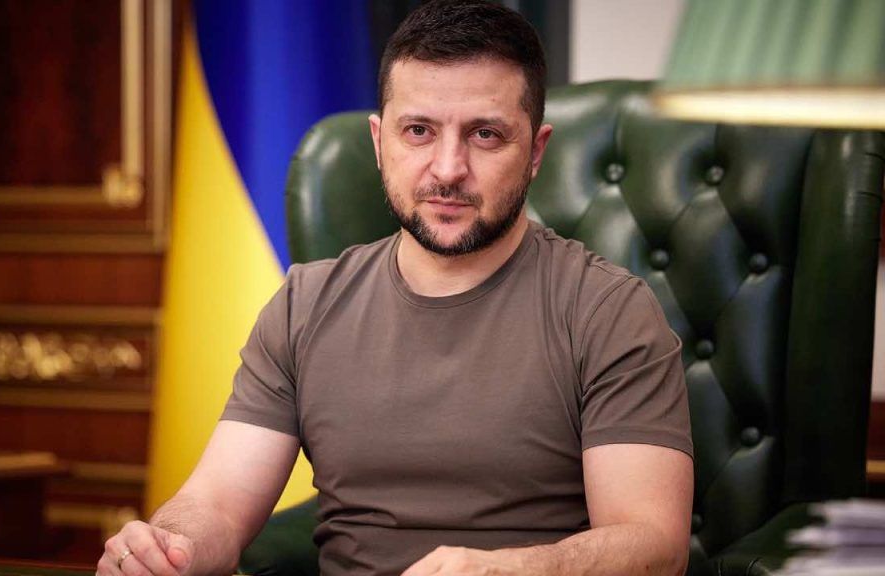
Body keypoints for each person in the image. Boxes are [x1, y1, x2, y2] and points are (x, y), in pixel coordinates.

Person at [97, 1, 693, 575]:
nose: (448, 169)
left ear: (535, 152)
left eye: (486, 135)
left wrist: (508, 570)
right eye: (419, 131)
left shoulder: (609, 310)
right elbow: (219, 505)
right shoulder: (304, 305)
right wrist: (168, 548)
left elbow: (654, 545)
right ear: (380, 142)